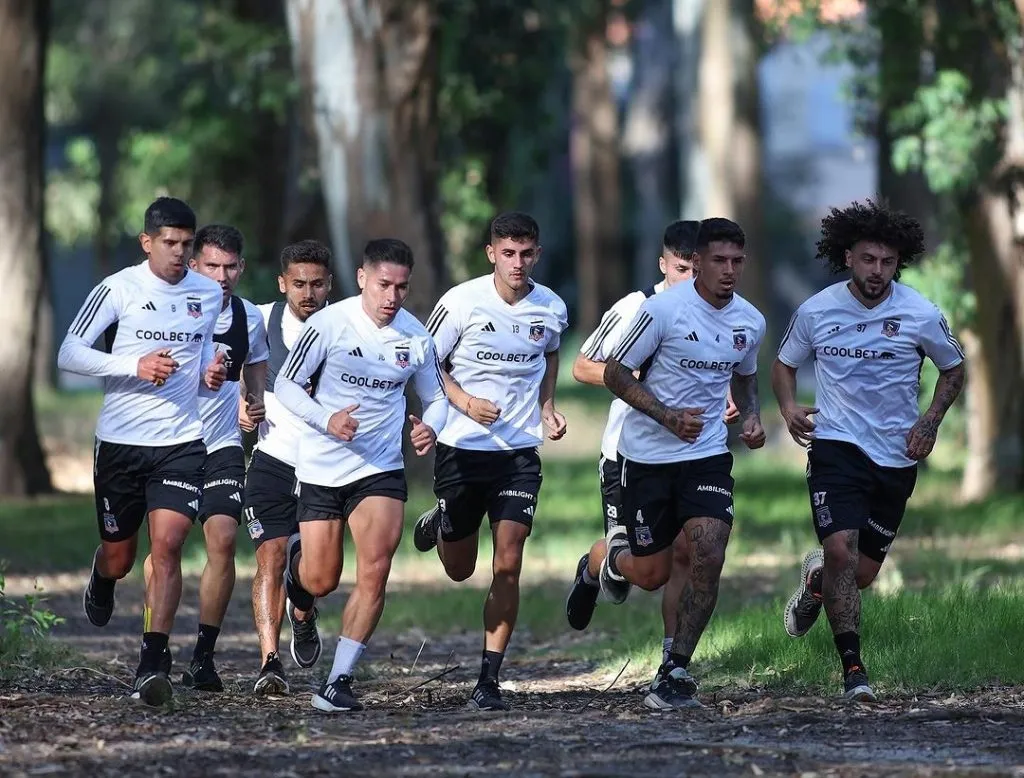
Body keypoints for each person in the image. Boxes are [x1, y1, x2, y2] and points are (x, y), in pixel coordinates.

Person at [773, 200, 965, 702]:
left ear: (898, 262)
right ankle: (853, 671)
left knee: (857, 574)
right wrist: (789, 408)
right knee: (841, 547)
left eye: (887, 261)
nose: (877, 270)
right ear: (848, 257)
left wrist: (930, 421)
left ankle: (817, 582)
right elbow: (784, 363)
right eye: (867, 259)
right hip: (836, 445)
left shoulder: (921, 313)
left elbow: (954, 368)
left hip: (897, 453)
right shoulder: (817, 310)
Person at [58, 197, 227, 706]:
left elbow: (195, 367)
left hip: (179, 440)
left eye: (187, 244)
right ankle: (103, 573)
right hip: (120, 444)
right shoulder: (119, 288)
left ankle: (152, 662)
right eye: (170, 243)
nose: (179, 253)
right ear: (147, 242)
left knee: (170, 545)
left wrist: (206, 376)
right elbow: (69, 352)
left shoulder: (207, 293)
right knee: (121, 555)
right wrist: (135, 365)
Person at [600, 217, 767, 710]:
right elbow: (613, 372)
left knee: (708, 552)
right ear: (696, 262)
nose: (729, 270)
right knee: (650, 574)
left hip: (707, 455)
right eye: (719, 260)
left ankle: (675, 668)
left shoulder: (750, 320)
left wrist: (753, 416)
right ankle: (607, 559)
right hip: (648, 457)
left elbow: (745, 376)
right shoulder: (663, 311)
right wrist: (667, 416)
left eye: (737, 261)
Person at [279, 238, 449, 713]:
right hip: (322, 465)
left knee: (375, 570)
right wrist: (326, 420)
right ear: (361, 279)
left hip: (379, 467)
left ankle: (338, 681)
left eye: (401, 287)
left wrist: (430, 426)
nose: (391, 297)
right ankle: (299, 586)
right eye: (383, 285)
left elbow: (436, 397)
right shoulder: (328, 325)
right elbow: (288, 386)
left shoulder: (416, 336)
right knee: (321, 579)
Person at [565, 221, 740, 669]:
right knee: (651, 573)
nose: (688, 278)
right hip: (630, 454)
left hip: (693, 454)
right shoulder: (639, 308)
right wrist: (647, 384)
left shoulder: (716, 312)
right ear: (664, 265)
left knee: (691, 552)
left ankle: (672, 662)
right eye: (680, 269)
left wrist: (729, 401)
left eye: (693, 268)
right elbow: (584, 367)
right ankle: (597, 563)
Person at [412, 211, 569, 712]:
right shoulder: (460, 303)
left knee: (509, 563)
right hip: (461, 449)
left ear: (537, 254)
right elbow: (427, 363)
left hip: (518, 454)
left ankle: (489, 677)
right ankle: (441, 524)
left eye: (526, 254)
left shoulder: (551, 307)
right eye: (508, 253)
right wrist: (462, 402)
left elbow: (550, 355)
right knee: (459, 568)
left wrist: (546, 407)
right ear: (491, 254)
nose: (517, 263)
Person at [140, 224, 269, 692]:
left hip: (222, 445)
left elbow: (254, 371)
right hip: (170, 444)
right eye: (212, 265)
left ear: (242, 268)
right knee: (165, 547)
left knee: (223, 538)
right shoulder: (169, 310)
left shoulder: (249, 317)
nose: (222, 276)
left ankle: (204, 656)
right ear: (193, 265)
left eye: (231, 266)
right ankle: (154, 644)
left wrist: (252, 403)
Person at [243, 239, 332, 694]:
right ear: (282, 284)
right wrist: (240, 404)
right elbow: (225, 365)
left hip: (325, 468)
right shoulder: (258, 319)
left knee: (316, 570)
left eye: (317, 283)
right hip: (272, 459)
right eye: (298, 283)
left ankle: (304, 611)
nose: (308, 293)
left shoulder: (349, 325)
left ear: (329, 284)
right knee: (270, 558)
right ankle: (269, 663)